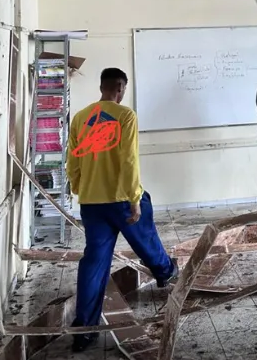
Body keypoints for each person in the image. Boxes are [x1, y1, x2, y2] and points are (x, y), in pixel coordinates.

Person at [65, 67, 177, 353]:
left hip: (92, 202)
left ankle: (84, 330)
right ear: (120, 87)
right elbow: (128, 160)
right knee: (145, 235)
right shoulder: (125, 116)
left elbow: (73, 160)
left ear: (101, 87)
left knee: (94, 262)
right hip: (120, 198)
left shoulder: (80, 117)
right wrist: (134, 197)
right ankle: (165, 271)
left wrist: (80, 188)